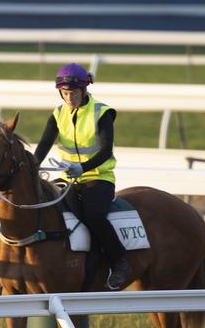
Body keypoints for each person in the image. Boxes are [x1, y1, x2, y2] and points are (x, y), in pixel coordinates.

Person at [32, 63, 132, 290]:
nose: (69, 98)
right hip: (69, 180)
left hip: (99, 177)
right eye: (65, 93)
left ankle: (119, 262)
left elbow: (106, 150)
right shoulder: (58, 113)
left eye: (74, 93)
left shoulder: (102, 112)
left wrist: (82, 167)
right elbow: (44, 145)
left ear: (84, 90)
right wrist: (31, 166)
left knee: (93, 215)